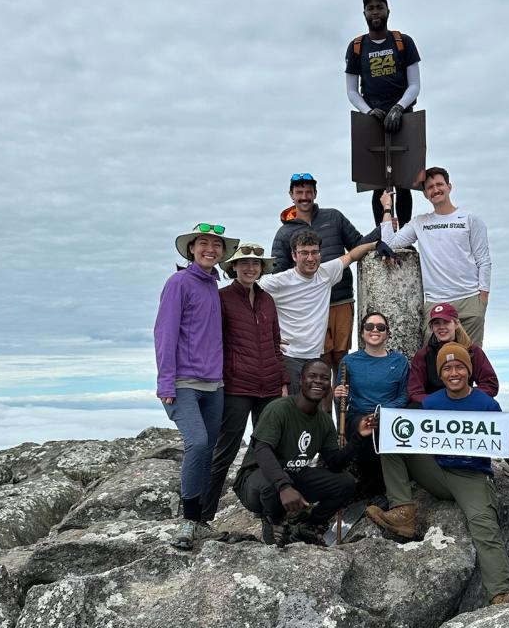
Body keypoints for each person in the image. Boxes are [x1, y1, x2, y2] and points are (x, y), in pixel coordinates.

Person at [366, 343, 509, 606]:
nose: (453, 372)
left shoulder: (486, 403)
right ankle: (403, 511)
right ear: (441, 374)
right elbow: (415, 434)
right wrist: (384, 425)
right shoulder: (432, 402)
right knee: (392, 439)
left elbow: (503, 447)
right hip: (437, 470)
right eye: (447, 368)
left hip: (471, 475)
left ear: (468, 371)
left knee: (483, 524)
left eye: (459, 367)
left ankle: (500, 592)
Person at [154, 221, 239, 548]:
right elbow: (164, 333)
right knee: (199, 444)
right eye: (203, 243)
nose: (210, 249)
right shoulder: (179, 283)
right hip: (183, 383)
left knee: (209, 451)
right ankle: (188, 521)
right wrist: (166, 384)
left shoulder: (211, 288)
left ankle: (201, 520)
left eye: (216, 245)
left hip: (213, 384)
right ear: (191, 249)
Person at [234, 358, 373, 545]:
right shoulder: (279, 409)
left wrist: (359, 437)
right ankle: (274, 521)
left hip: (294, 476)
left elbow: (335, 463)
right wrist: (284, 487)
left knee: (345, 482)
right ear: (300, 380)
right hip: (256, 481)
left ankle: (308, 525)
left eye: (324, 378)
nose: (318, 381)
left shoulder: (323, 421)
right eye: (312, 376)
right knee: (271, 481)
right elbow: (262, 450)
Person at [199, 242, 287, 524]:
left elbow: (275, 343)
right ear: (233, 267)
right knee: (224, 452)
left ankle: (268, 508)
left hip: (270, 386)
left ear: (262, 269)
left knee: (269, 449)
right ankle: (201, 516)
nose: (251, 268)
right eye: (244, 263)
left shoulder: (267, 300)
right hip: (236, 386)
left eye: (256, 264)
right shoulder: (222, 298)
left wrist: (283, 380)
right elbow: (211, 341)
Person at [271, 173, 378, 376]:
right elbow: (278, 275)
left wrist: (384, 228)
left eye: (308, 192)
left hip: (340, 299)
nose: (304, 197)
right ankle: (324, 409)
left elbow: (358, 245)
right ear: (291, 195)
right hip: (308, 307)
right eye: (299, 192)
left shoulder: (334, 217)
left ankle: (343, 407)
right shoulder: (284, 233)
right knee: (320, 363)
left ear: (315, 194)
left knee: (342, 360)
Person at [379, 168, 491, 344]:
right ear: (425, 193)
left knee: (470, 361)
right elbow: (390, 243)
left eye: (439, 184)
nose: (435, 189)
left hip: (469, 299)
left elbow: (483, 261)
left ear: (449, 187)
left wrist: (482, 300)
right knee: (433, 362)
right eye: (430, 187)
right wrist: (386, 207)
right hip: (435, 302)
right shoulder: (420, 222)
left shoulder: (470, 219)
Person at [260, 229, 378, 394]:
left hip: (315, 358)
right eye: (304, 253)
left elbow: (351, 256)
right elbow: (247, 297)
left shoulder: (325, 273)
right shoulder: (278, 282)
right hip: (289, 357)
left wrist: (375, 244)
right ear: (294, 256)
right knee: (290, 410)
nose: (310, 258)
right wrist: (267, 338)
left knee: (311, 410)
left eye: (315, 252)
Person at [345, 0, 422, 227]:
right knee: (376, 182)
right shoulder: (357, 47)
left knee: (405, 180)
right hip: (372, 118)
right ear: (364, 13)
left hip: (404, 116)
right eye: (370, 8)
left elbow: (415, 85)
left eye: (379, 6)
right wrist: (368, 111)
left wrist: (399, 107)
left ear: (388, 10)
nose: (375, 12)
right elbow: (351, 90)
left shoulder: (403, 42)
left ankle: (406, 234)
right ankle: (382, 233)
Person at [333, 309, 409, 497]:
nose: (375, 330)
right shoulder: (349, 361)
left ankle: (382, 490)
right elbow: (340, 397)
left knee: (381, 428)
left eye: (380, 327)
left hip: (389, 414)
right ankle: (368, 489)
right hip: (358, 416)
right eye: (369, 326)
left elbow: (404, 396)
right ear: (362, 332)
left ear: (387, 333)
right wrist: (338, 393)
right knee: (367, 427)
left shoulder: (399, 361)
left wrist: (383, 411)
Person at [408, 301, 498, 405]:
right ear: (432, 327)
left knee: (490, 404)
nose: (441, 327)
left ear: (456, 324)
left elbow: (490, 384)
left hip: (466, 404)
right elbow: (415, 391)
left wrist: (467, 398)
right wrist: (438, 402)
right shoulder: (423, 355)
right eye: (436, 323)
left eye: (446, 322)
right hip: (434, 408)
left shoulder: (472, 351)